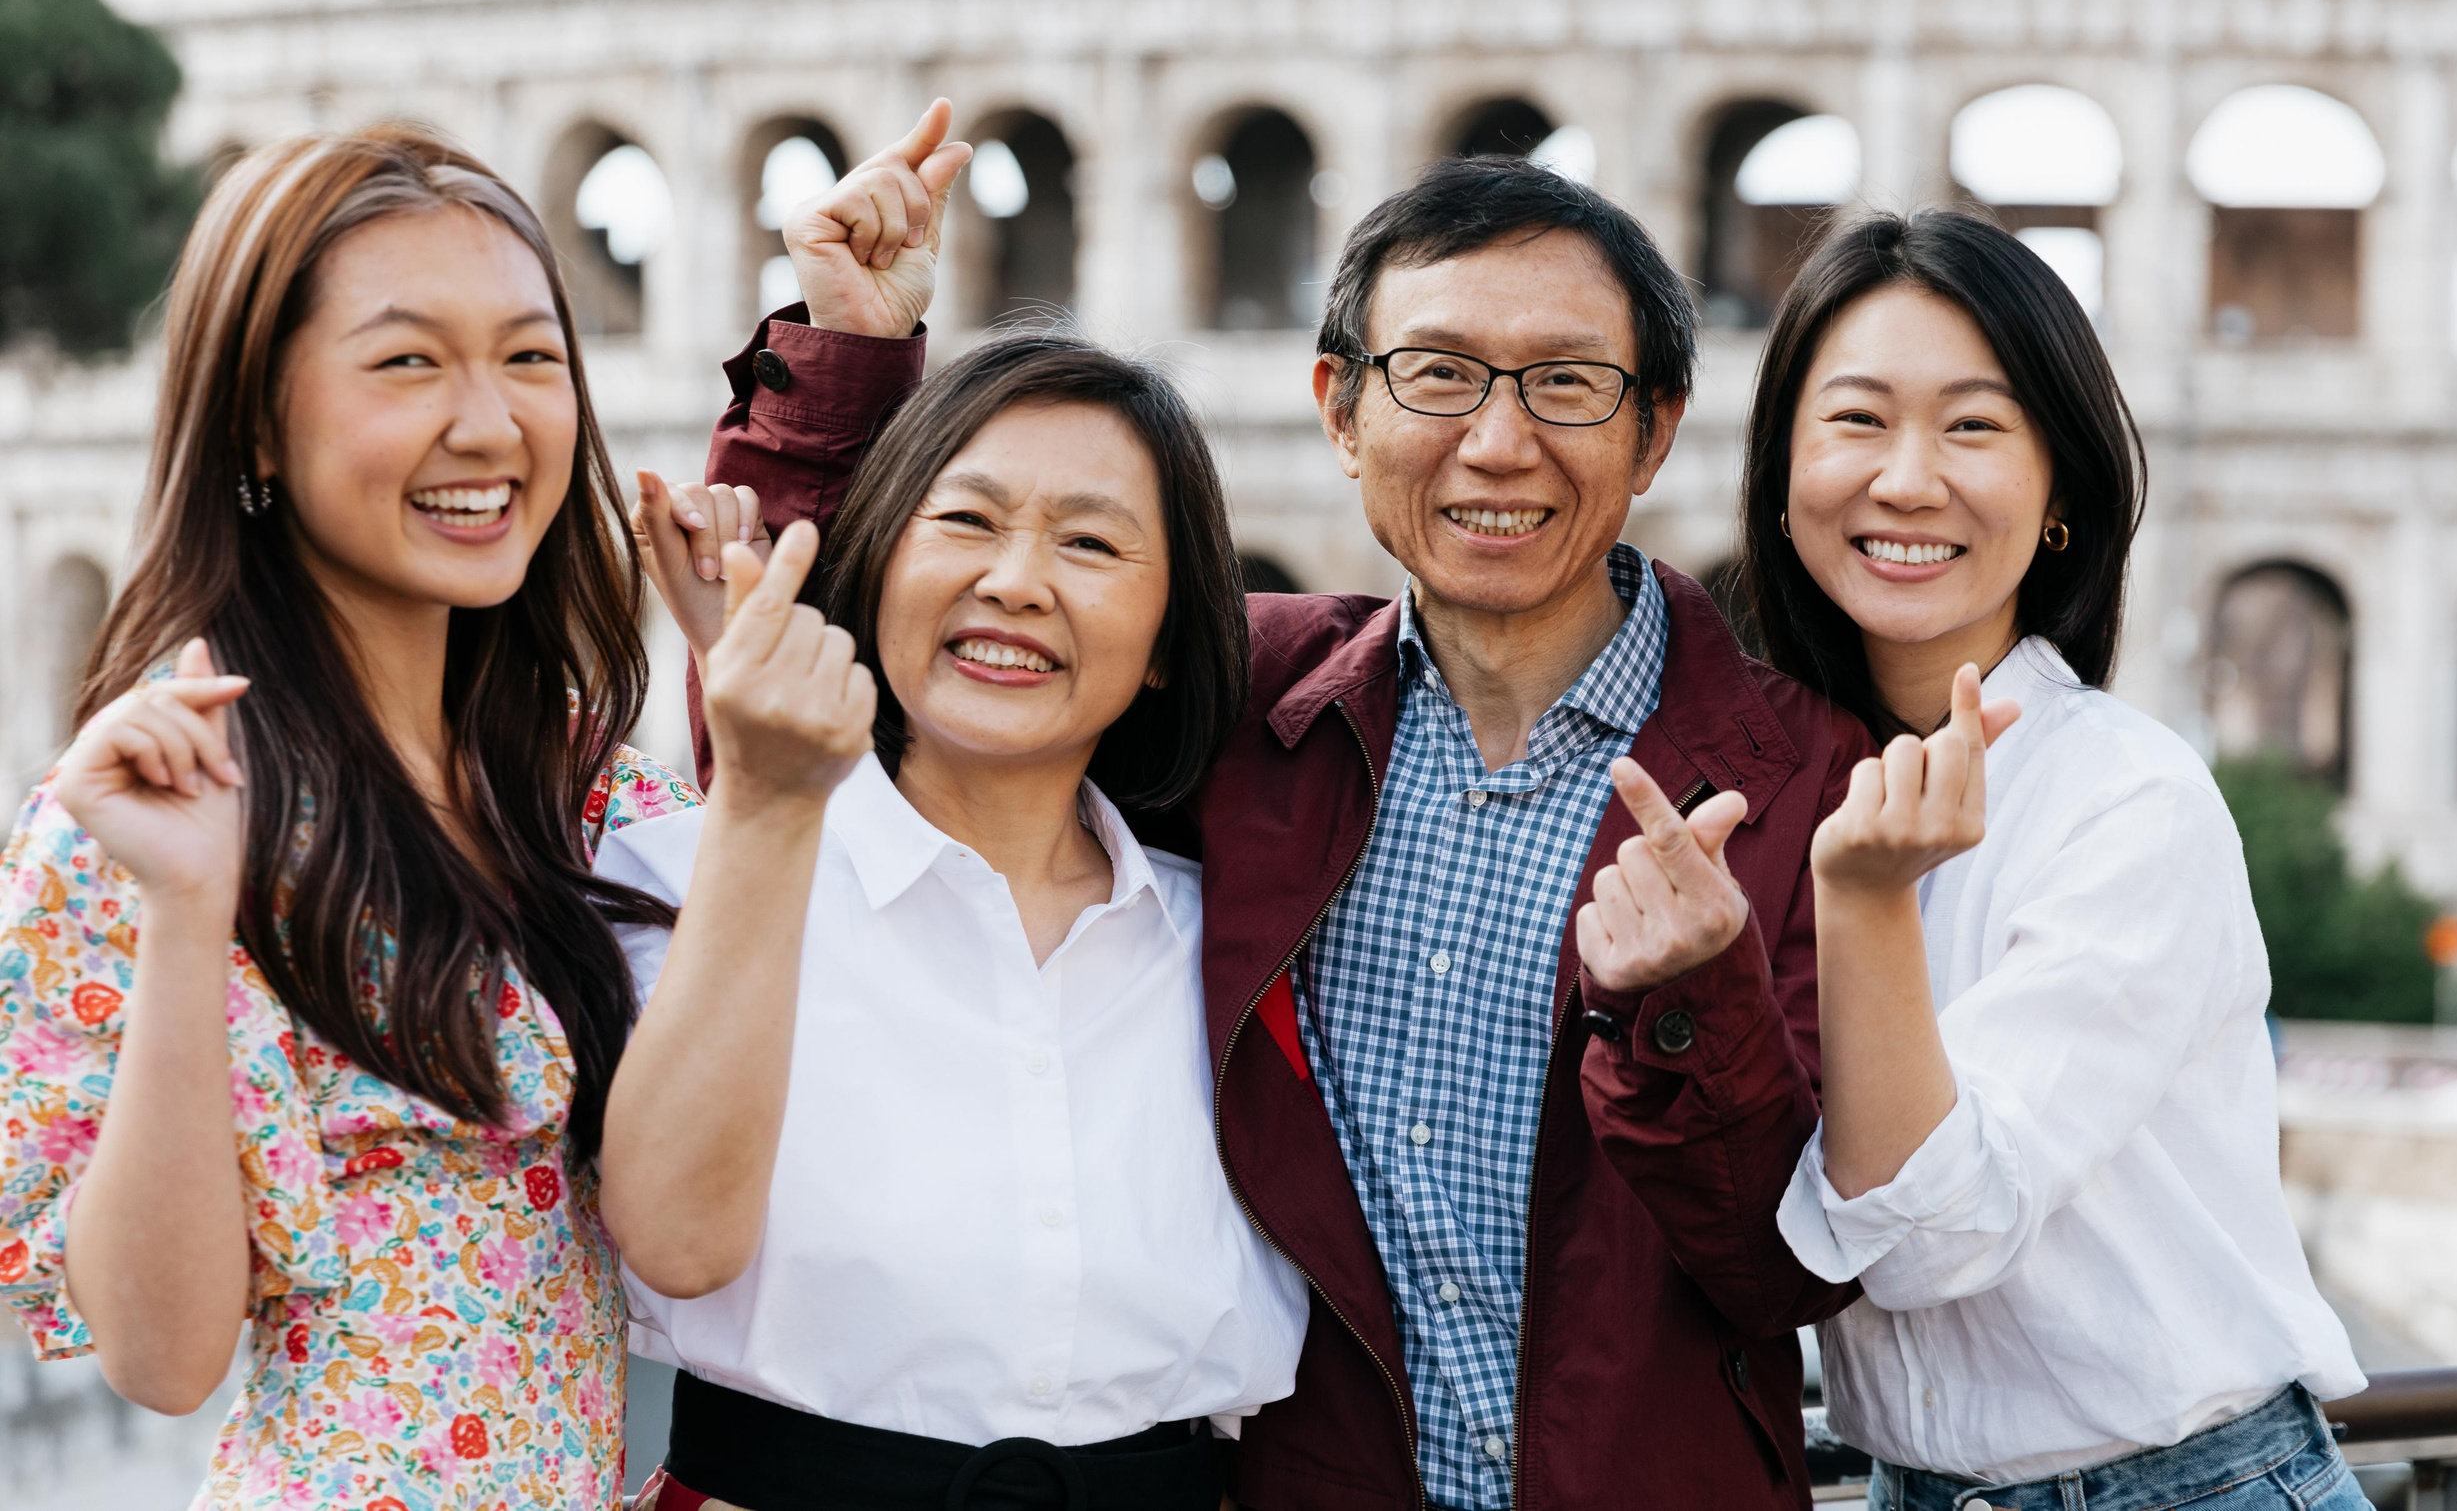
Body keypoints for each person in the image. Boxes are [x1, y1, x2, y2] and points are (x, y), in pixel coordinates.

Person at [644, 101, 1866, 1511]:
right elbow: (871, 702)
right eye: (1439, 374)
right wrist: (843, 358)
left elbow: (1799, 1261)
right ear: (1341, 410)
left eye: (1568, 384)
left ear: (1655, 433)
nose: (1498, 441)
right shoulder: (1254, 708)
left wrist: (1691, 1000)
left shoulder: (1805, 779)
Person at [0, 126, 697, 1510]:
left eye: (530, 355)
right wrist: (191, 911)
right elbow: (163, 1352)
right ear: (259, 416)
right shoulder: (142, 805)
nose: (491, 423)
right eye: (407, 360)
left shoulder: (587, 786)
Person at [596, 331, 1307, 1511]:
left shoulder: (1239, 955)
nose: (1018, 582)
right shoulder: (681, 880)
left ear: (1174, 641)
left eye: (1088, 542)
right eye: (966, 522)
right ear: (873, 570)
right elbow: (668, 1240)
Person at [1738, 210, 2367, 1508]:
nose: (1908, 479)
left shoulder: (2129, 800)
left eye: (1973, 425)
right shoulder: (1754, 789)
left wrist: (1860, 902)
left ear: (2061, 489)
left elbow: (1935, 1234)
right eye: (1857, 419)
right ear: (1781, 476)